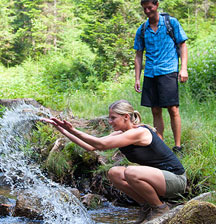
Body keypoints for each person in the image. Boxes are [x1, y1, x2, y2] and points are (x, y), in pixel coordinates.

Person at [42, 99, 187, 223]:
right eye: (109, 118)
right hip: (157, 179)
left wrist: (74, 130)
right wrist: (62, 129)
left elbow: (101, 145)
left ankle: (160, 208)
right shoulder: (120, 133)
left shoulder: (139, 132)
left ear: (125, 117)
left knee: (131, 171)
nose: (110, 122)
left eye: (113, 118)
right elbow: (91, 147)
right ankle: (147, 206)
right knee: (114, 172)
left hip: (175, 180)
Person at [134, 0, 188, 152]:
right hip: (150, 73)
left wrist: (183, 69)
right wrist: (137, 78)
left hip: (169, 71)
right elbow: (138, 55)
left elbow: (183, 45)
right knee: (155, 110)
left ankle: (177, 146)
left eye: (150, 7)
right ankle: (160, 145)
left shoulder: (171, 23)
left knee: (173, 109)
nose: (147, 11)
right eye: (144, 8)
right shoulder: (142, 29)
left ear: (156, 5)